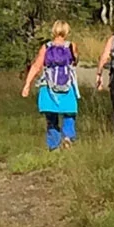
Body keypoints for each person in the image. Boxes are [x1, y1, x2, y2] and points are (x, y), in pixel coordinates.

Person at [21, 21, 79, 150]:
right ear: (67, 31)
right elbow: (75, 62)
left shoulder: (46, 47)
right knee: (69, 113)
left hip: (49, 86)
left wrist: (27, 84)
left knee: (51, 117)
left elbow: (37, 66)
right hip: (67, 86)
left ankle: (54, 145)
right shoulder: (71, 46)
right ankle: (68, 136)